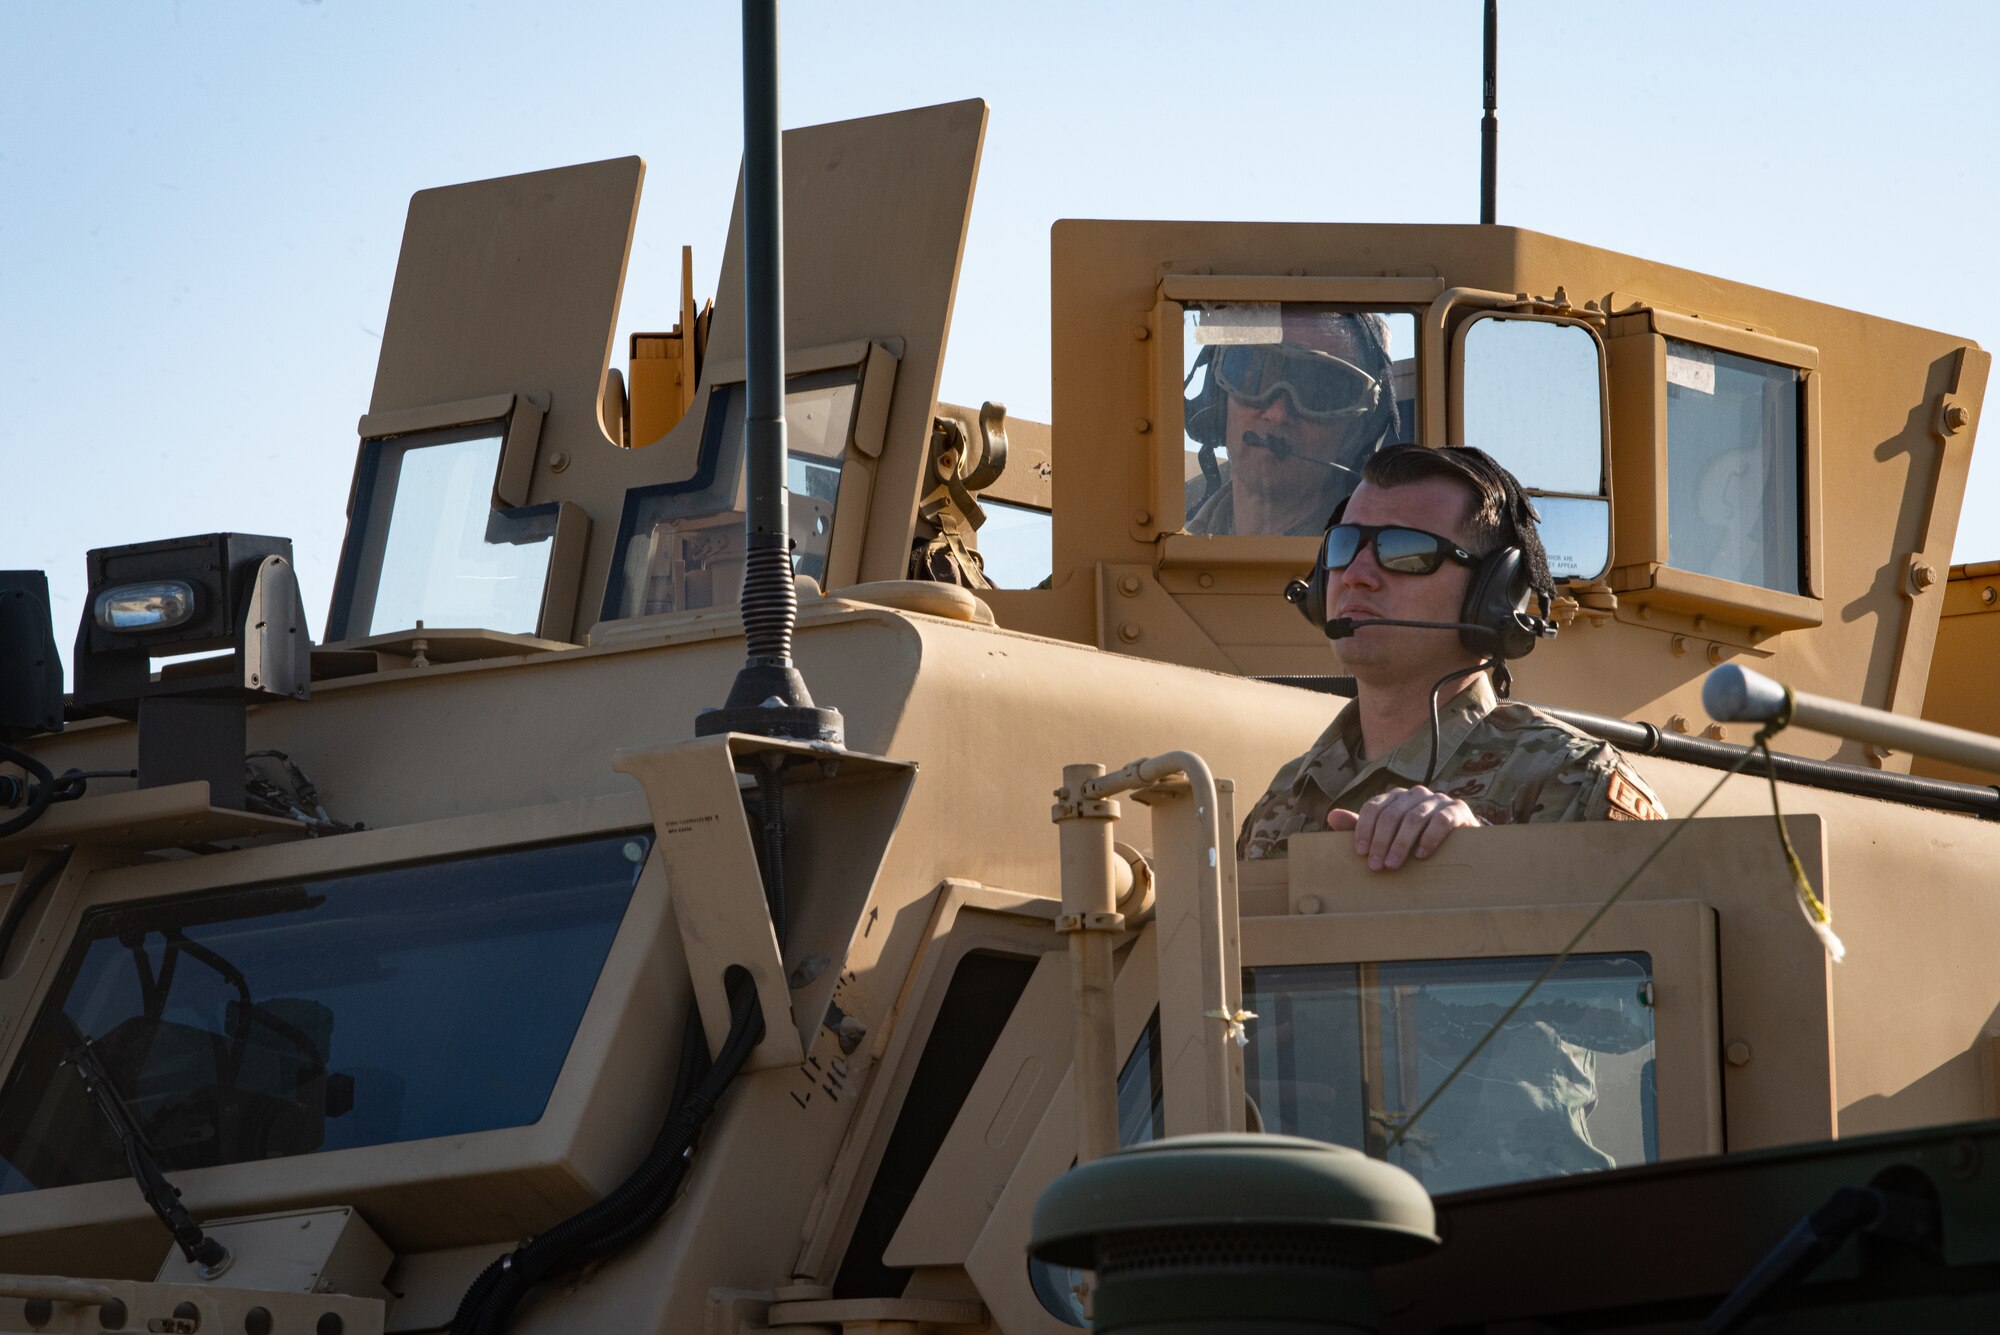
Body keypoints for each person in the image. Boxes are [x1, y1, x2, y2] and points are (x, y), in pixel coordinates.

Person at [1238, 444, 1665, 868]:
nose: (1355, 576)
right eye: (1343, 545)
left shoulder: (1575, 781)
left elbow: (1659, 932)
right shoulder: (1282, 799)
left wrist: (1481, 862)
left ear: (1492, 594)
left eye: (1405, 552)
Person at [1184, 309, 1402, 536]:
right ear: (1218, 395)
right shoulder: (1174, 545)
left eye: (1319, 390)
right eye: (1255, 376)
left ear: (1357, 430)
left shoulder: (1372, 563)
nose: (1278, 413)